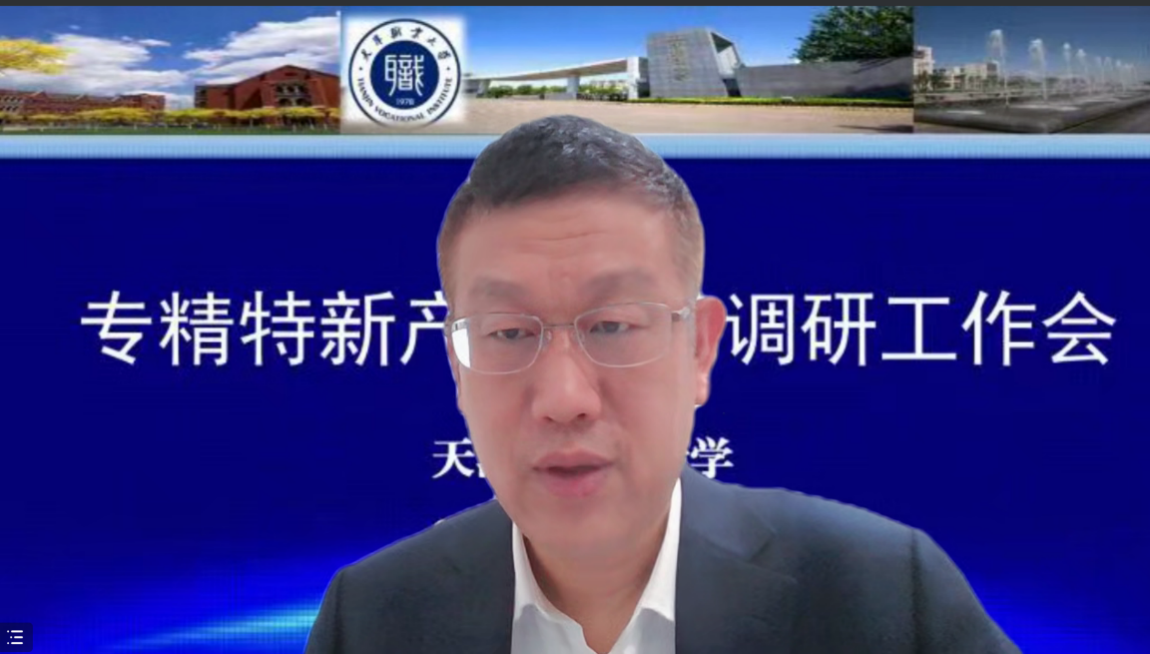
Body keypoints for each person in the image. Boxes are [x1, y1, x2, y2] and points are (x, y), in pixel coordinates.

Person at [304, 115, 1020, 654]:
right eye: (510, 333)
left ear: (700, 349)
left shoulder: (884, 595)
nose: (564, 399)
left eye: (614, 325)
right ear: (458, 367)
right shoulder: (369, 617)